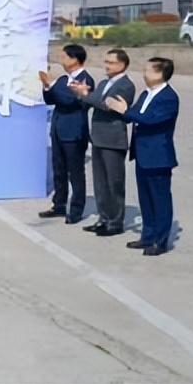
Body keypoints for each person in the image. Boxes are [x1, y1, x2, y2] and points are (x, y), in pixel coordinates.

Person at [107, 57, 178, 255]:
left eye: (147, 70)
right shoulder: (146, 93)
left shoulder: (168, 97)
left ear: (160, 74)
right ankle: (147, 236)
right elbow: (134, 115)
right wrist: (121, 110)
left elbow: (148, 119)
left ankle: (160, 241)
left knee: (160, 200)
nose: (144, 74)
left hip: (158, 155)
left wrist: (125, 110)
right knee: (146, 199)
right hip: (142, 154)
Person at [71, 48, 134, 237]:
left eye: (111, 62)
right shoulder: (104, 83)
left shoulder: (126, 85)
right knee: (100, 183)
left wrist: (86, 94)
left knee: (114, 182)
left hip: (113, 139)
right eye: (106, 62)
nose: (107, 66)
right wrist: (80, 93)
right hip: (98, 136)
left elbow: (108, 105)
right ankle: (104, 218)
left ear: (122, 65)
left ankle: (115, 222)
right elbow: (94, 101)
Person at [38, 44, 93, 223]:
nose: (61, 60)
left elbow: (69, 100)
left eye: (64, 57)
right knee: (59, 170)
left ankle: (76, 210)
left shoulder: (86, 80)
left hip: (74, 132)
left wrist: (52, 84)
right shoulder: (63, 79)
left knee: (75, 173)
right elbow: (51, 99)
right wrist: (47, 86)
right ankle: (59, 205)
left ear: (75, 59)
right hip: (58, 130)